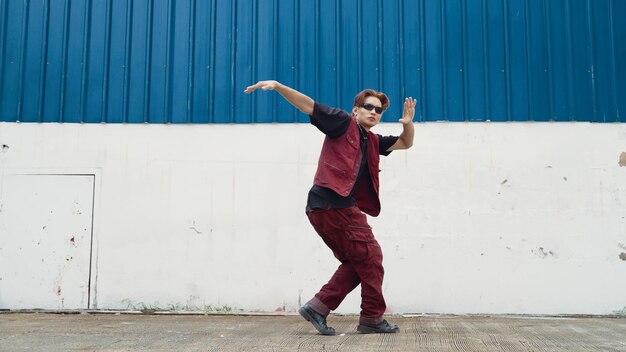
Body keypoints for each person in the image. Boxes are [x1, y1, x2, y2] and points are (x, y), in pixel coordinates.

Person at [244, 80, 415, 335]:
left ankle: (318, 307)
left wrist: (407, 123)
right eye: (368, 106)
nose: (373, 112)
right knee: (371, 257)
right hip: (332, 203)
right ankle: (371, 318)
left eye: (378, 110)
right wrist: (278, 86)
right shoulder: (342, 123)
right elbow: (309, 106)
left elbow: (405, 143)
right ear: (356, 110)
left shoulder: (373, 141)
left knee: (358, 263)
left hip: (324, 207)